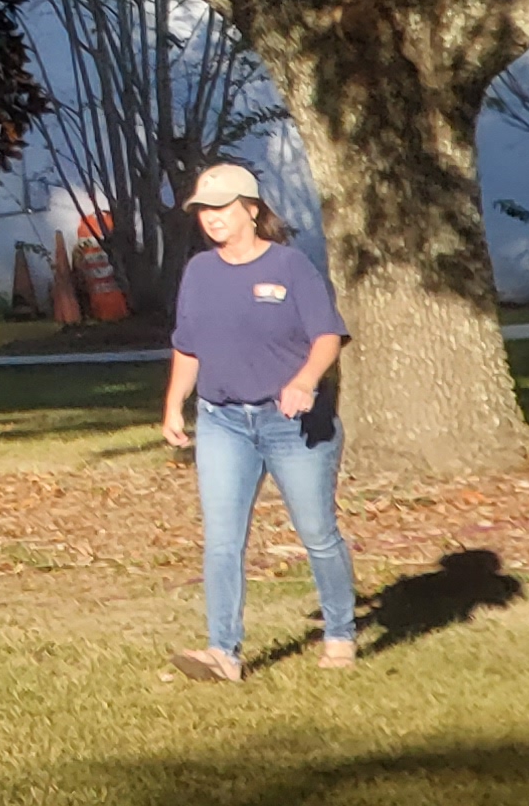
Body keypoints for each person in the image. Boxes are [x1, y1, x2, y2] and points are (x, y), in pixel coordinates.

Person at [162, 162, 355, 681]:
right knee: (222, 539)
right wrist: (175, 403)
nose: (211, 219)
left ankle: (340, 631)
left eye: (222, 208)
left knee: (317, 533)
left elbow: (327, 337)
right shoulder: (199, 273)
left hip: (291, 423)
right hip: (223, 421)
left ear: (251, 208)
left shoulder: (291, 267)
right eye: (203, 210)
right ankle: (223, 652)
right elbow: (188, 345)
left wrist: (305, 381)